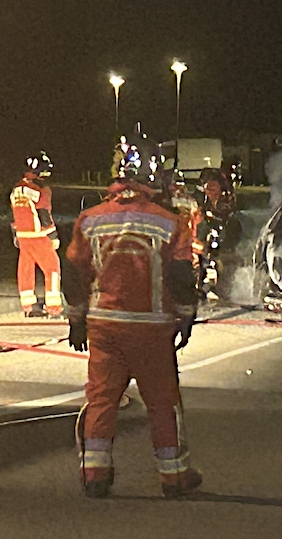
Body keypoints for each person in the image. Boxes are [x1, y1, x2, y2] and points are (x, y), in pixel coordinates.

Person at [63, 144, 202, 499]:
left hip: (104, 326)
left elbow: (74, 271)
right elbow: (180, 274)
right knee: (161, 401)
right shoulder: (169, 221)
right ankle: (174, 476)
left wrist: (76, 319)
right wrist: (186, 317)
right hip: (152, 328)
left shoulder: (90, 219)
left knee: (101, 400)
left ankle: (95, 474)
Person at [10, 152, 62, 318]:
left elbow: (15, 214)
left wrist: (15, 234)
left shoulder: (17, 189)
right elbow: (43, 213)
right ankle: (53, 307)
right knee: (52, 268)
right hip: (39, 235)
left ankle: (28, 306)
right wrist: (53, 236)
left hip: (23, 236)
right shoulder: (41, 189)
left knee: (26, 269)